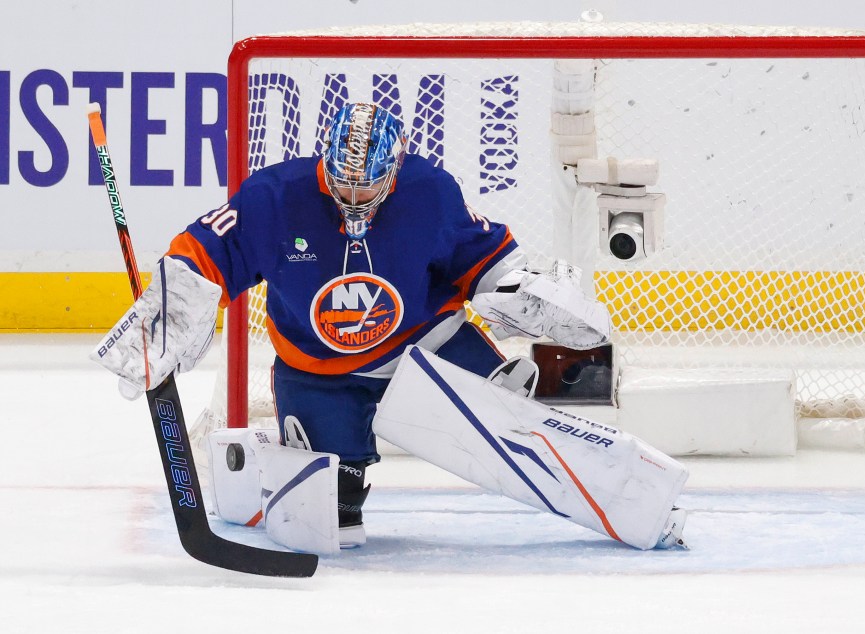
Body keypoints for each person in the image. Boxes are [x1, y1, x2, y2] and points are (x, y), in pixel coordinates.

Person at [90, 102, 613, 549]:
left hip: (423, 346)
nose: (354, 198)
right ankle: (290, 474)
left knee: (508, 425)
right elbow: (205, 252)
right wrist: (165, 313)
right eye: (343, 183)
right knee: (330, 517)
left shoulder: (429, 192)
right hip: (318, 371)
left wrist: (521, 289)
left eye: (368, 187)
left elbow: (484, 259)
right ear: (325, 161)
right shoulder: (275, 197)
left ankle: (564, 453)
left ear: (395, 167)